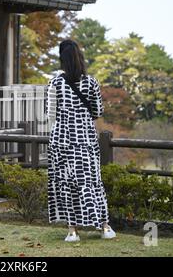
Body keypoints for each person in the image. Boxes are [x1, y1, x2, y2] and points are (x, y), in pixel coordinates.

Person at [46, 39, 116, 242]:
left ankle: (72, 231)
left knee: (66, 183)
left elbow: (50, 114)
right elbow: (98, 111)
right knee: (92, 181)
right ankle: (104, 227)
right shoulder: (91, 82)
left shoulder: (55, 83)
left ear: (62, 59)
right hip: (85, 138)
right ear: (80, 57)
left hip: (62, 140)